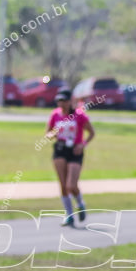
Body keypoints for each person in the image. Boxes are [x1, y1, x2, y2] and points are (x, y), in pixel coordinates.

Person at [45, 89, 95, 227]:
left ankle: (80, 203)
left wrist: (83, 145)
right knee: (62, 184)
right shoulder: (55, 114)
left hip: (75, 151)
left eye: (64, 100)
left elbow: (91, 133)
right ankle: (69, 215)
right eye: (59, 100)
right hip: (60, 150)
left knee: (71, 185)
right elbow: (48, 132)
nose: (62, 103)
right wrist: (52, 135)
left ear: (70, 101)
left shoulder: (79, 115)